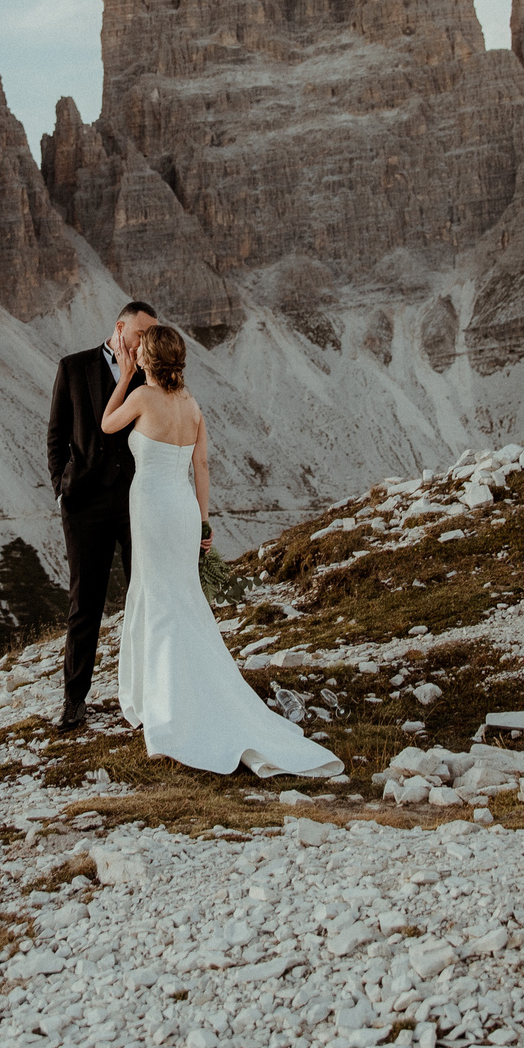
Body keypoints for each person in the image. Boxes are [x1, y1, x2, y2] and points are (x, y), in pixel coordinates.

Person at [98, 324, 341, 779]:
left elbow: (106, 424)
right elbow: (201, 465)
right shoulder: (192, 406)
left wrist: (124, 375)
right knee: (181, 599)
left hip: (151, 508)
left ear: (147, 360)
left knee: (158, 599)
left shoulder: (141, 398)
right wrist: (204, 522)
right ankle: (184, 694)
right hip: (184, 509)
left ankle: (166, 707)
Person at [45, 301, 156, 731]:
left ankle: (147, 696)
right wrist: (61, 490)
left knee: (142, 596)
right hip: (84, 505)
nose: (145, 343)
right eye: (141, 334)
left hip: (135, 502)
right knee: (84, 604)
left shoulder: (150, 372)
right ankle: (74, 701)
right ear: (120, 328)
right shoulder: (74, 367)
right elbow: (56, 434)